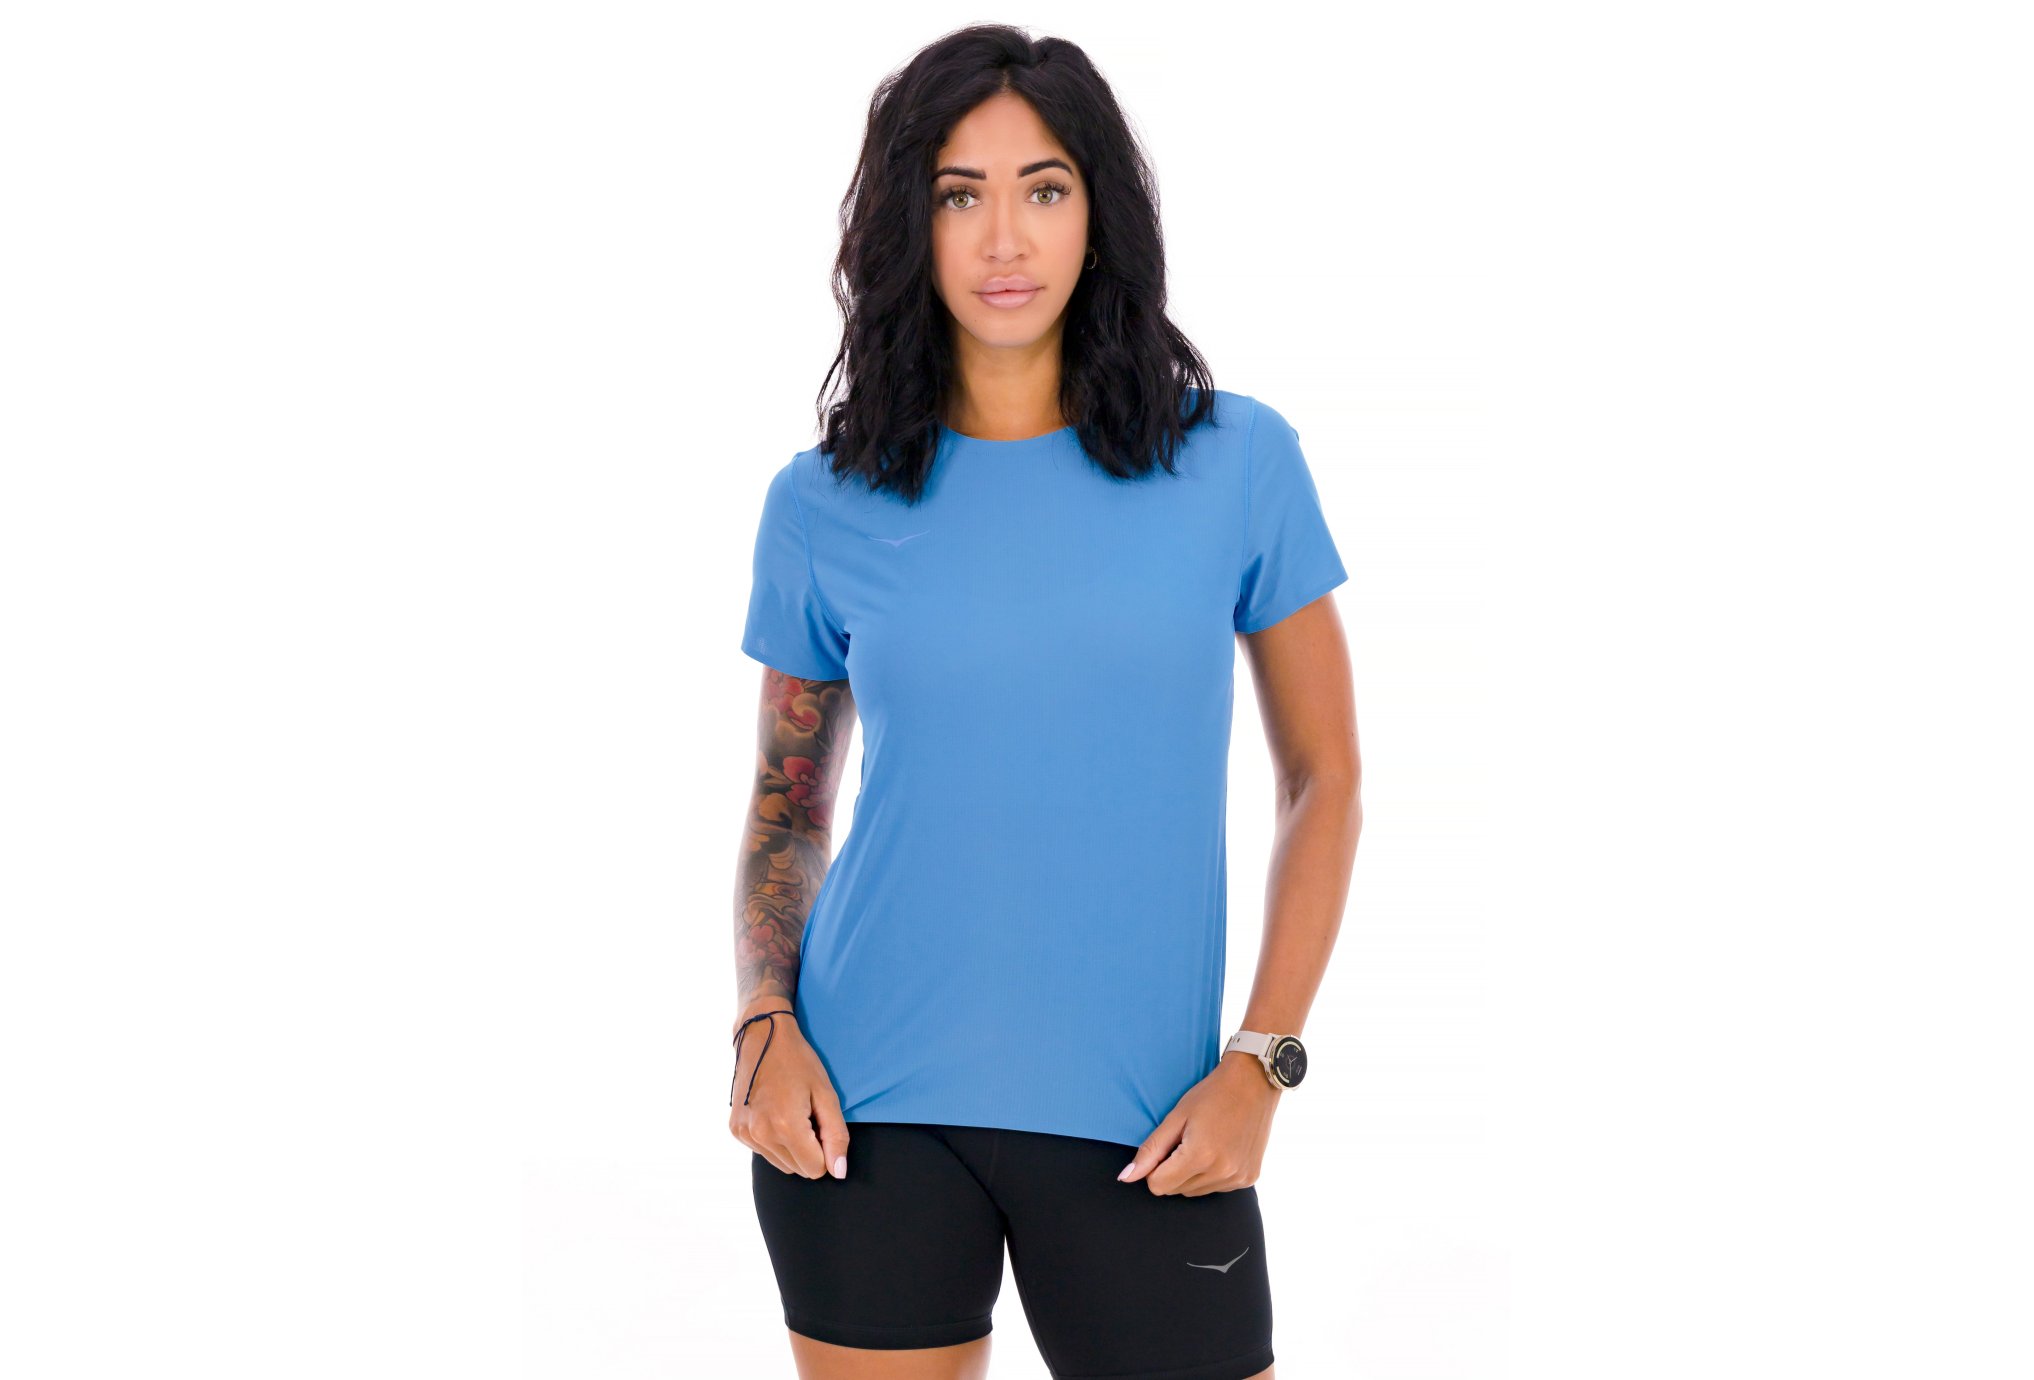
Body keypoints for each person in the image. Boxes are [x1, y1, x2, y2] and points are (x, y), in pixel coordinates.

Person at [729, 25, 1360, 1380]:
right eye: (959, 193)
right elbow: (789, 805)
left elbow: (1323, 778)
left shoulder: (1236, 462)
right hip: (863, 1119)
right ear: (907, 223)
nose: (1003, 238)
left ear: (1099, 210)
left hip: (1152, 1127)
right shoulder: (823, 502)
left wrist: (1263, 1060)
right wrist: (762, 1027)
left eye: (1045, 187)